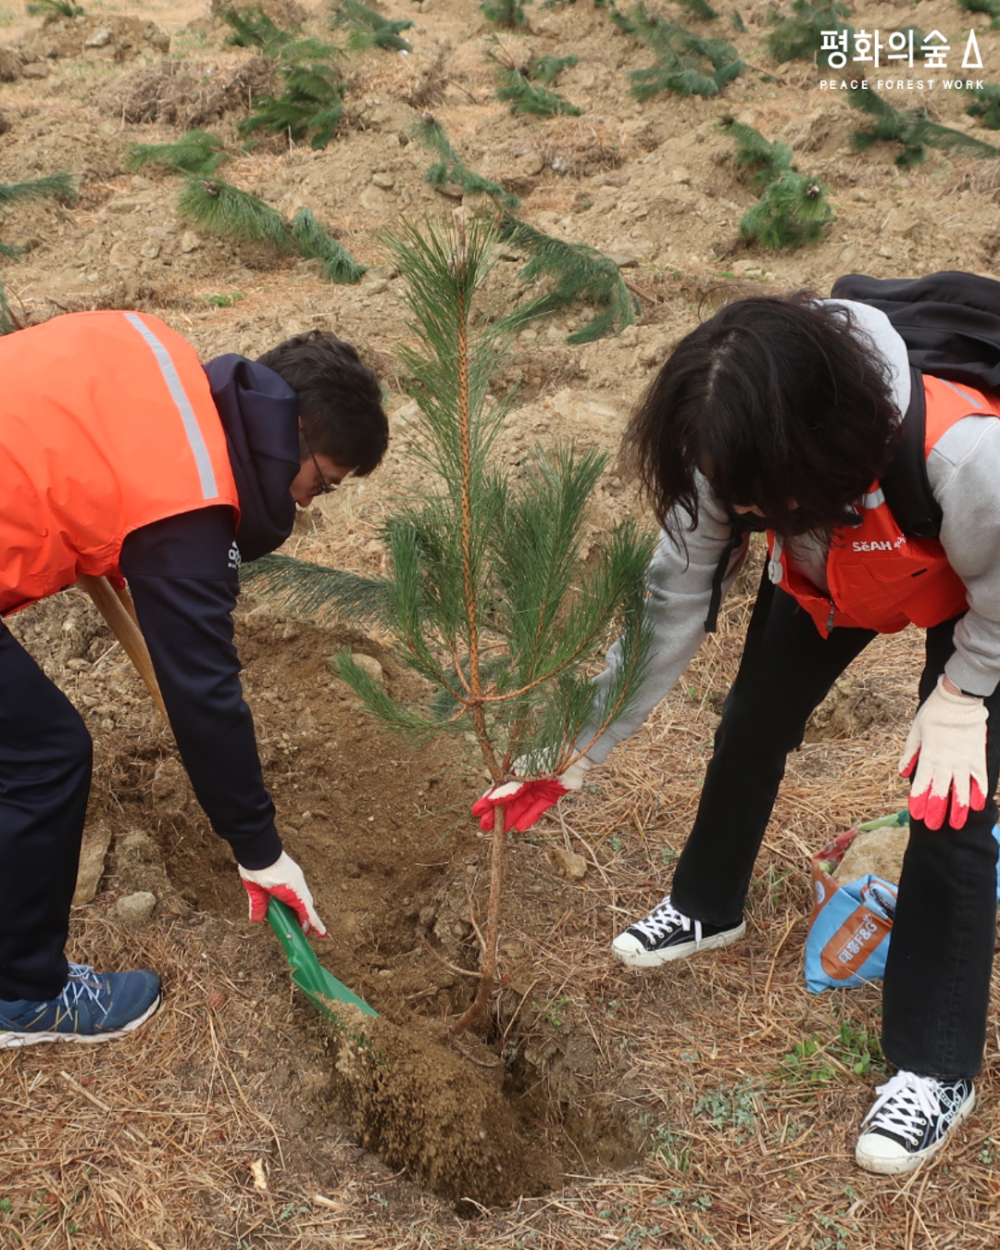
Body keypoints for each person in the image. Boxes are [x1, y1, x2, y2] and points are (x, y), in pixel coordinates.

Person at [477, 291, 1000, 1175]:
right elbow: (669, 608)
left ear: (824, 445)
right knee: (751, 724)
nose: (742, 508)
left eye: (764, 495)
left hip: (972, 596)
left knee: (950, 801)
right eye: (740, 497)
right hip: (830, 576)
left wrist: (963, 697)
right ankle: (706, 904)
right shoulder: (728, 447)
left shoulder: (962, 455)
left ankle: (934, 1066)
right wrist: (574, 750)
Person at [0, 311, 388, 1048]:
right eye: (323, 483)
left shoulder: (159, 356)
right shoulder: (188, 505)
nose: (307, 503)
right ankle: (22, 995)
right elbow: (204, 693)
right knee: (44, 757)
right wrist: (260, 849)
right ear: (294, 433)